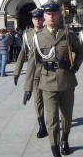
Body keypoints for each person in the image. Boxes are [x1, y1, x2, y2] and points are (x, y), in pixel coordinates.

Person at [24, 0, 83, 157]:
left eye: (54, 13)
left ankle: (65, 138)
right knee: (51, 119)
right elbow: (32, 63)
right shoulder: (37, 37)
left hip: (66, 80)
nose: (51, 16)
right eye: (48, 14)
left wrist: (76, 64)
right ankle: (55, 150)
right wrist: (27, 88)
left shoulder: (68, 34)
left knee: (67, 116)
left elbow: (80, 51)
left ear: (59, 15)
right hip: (47, 82)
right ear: (44, 16)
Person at [14, 9, 48, 138]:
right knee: (38, 100)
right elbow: (22, 54)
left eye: (39, 19)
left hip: (49, 72)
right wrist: (16, 72)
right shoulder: (27, 35)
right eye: (35, 19)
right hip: (35, 73)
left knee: (50, 100)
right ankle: (41, 125)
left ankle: (51, 121)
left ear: (43, 19)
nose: (37, 21)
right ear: (32, 20)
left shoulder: (48, 33)